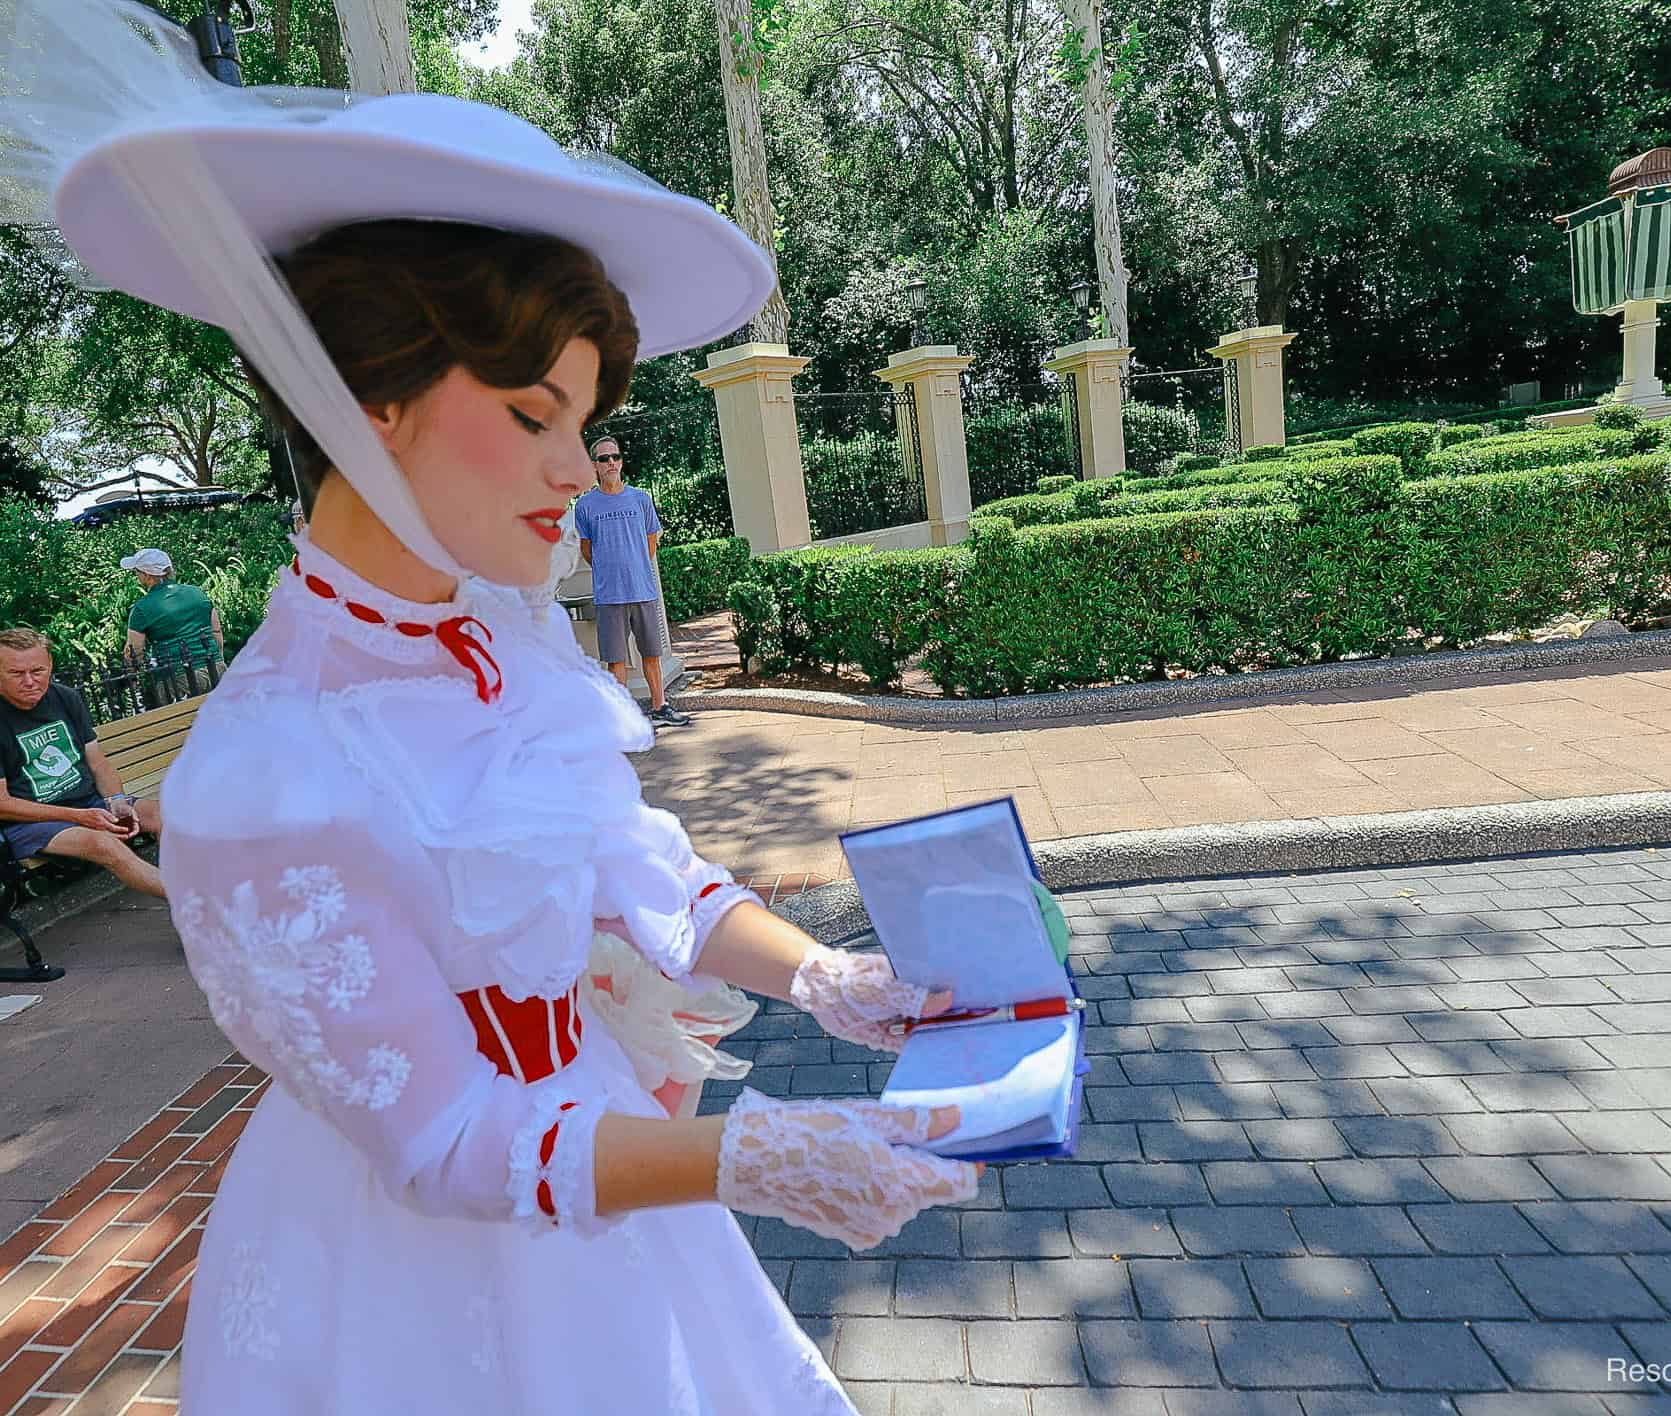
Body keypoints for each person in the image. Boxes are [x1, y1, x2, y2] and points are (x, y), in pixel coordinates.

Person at [0, 4, 977, 1411]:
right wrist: (748, 1159)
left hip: (617, 1182)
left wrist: (823, 978)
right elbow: (450, 1140)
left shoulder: (502, 646)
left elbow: (637, 871)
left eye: (581, 422)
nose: (577, 468)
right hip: (418, 1276)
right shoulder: (271, 768)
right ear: (369, 401)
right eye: (532, 415)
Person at [0, 628, 163, 899]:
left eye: (38, 671)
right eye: (16, 674)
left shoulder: (65, 697)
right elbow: (3, 805)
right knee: (104, 845)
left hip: (89, 804)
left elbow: (98, 764)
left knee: (165, 815)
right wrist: (77, 817)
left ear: (50, 665)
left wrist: (117, 801)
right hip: (31, 823)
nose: (29, 681)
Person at [573, 435, 691, 728]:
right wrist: (611, 570)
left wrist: (633, 566)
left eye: (615, 456)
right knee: (615, 660)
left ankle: (660, 707)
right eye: (604, 458)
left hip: (642, 590)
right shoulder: (585, 506)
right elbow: (587, 549)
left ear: (621, 461)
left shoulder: (641, 499)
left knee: (651, 653)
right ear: (595, 466)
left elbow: (651, 543)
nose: (610, 462)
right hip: (608, 595)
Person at [120, 547, 223, 702]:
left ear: (147, 575)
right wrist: (217, 657)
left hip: (178, 678)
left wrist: (133, 677)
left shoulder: (142, 608)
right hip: (215, 666)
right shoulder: (197, 593)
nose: (137, 576)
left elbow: (135, 652)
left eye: (137, 572)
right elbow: (216, 631)